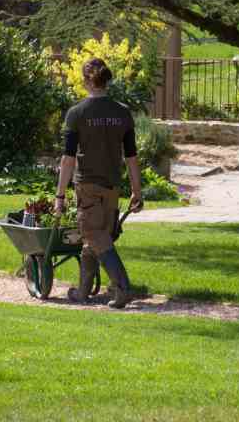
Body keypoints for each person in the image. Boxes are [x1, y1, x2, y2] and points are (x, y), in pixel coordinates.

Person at [54, 57, 144, 309]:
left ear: (85, 81)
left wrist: (59, 197)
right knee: (96, 239)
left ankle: (123, 288)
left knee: (94, 235)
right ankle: (83, 292)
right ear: (107, 80)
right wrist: (137, 192)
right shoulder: (122, 112)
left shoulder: (77, 114)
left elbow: (68, 159)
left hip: (88, 186)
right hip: (112, 186)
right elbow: (132, 158)